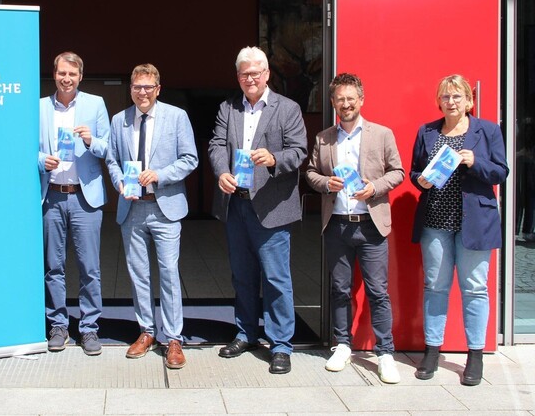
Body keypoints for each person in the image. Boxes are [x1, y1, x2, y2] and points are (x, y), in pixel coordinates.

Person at [208, 46, 307, 374]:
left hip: (271, 206)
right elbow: (217, 144)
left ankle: (280, 344)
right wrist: (222, 170)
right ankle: (246, 332)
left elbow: (299, 150)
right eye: (244, 73)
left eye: (255, 73)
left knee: (277, 277)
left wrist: (275, 158)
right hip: (237, 204)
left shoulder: (287, 108)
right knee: (242, 275)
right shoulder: (228, 107)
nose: (250, 78)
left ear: (267, 74)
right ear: (238, 77)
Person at [305, 73, 404, 384]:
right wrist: (325, 183)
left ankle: (385, 352)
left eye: (351, 98)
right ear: (333, 103)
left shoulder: (381, 134)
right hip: (337, 225)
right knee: (339, 290)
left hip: (371, 225)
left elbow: (398, 171)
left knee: (378, 292)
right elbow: (310, 173)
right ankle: (342, 345)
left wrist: (374, 187)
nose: (345, 104)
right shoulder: (324, 138)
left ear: (361, 100)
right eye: (340, 99)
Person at [410, 74, 508, 386]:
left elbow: (500, 172)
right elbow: (415, 170)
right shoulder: (427, 131)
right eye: (445, 97)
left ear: (469, 101)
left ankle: (475, 354)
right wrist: (419, 180)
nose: (451, 102)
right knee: (435, 287)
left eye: (457, 97)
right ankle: (432, 350)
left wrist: (474, 161)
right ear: (438, 101)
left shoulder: (487, 130)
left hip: (475, 223)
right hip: (435, 222)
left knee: (475, 289)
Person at [106, 63, 198, 369]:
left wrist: (159, 174)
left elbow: (190, 159)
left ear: (158, 89)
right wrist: (119, 181)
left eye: (148, 87)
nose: (142, 93)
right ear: (130, 89)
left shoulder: (176, 116)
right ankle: (146, 331)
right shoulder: (119, 120)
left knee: (169, 273)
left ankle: (173, 338)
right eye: (136, 87)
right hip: (132, 207)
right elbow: (112, 160)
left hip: (165, 206)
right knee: (138, 274)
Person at [38, 52, 110, 355]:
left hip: (84, 196)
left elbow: (109, 149)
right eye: (61, 73)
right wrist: (43, 160)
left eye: (72, 74)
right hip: (52, 194)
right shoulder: (39, 107)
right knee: (53, 267)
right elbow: (25, 148)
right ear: (54, 74)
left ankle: (90, 328)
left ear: (80, 76)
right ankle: (58, 325)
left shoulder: (95, 104)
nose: (66, 78)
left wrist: (92, 141)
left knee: (89, 267)